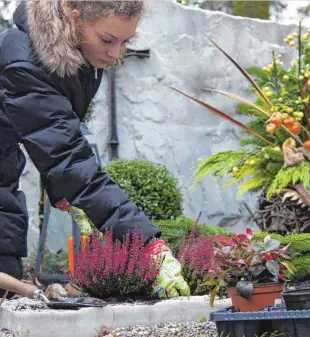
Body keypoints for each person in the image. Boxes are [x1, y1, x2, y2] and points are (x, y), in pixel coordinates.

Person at [0, 0, 189, 299]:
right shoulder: (27, 63)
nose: (116, 54)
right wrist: (146, 243)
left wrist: (62, 190)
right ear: (74, 19)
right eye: (107, 40)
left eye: (126, 41)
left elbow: (55, 140)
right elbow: (68, 159)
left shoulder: (75, 54)